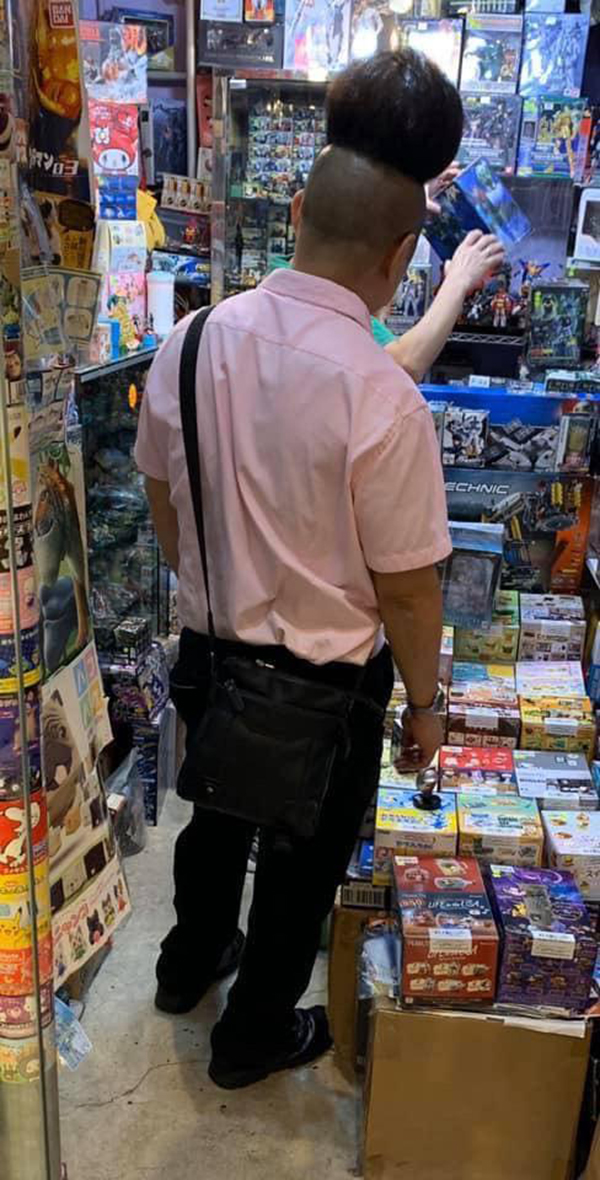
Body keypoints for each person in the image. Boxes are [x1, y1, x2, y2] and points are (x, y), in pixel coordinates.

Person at [134, 49, 504, 1092]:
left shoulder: (190, 340)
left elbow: (162, 495)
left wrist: (214, 588)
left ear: (296, 211)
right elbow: (410, 588)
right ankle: (252, 1038)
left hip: (211, 653)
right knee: (298, 867)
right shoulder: (382, 397)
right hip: (326, 687)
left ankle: (185, 968)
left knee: (213, 817)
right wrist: (425, 707)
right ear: (402, 256)